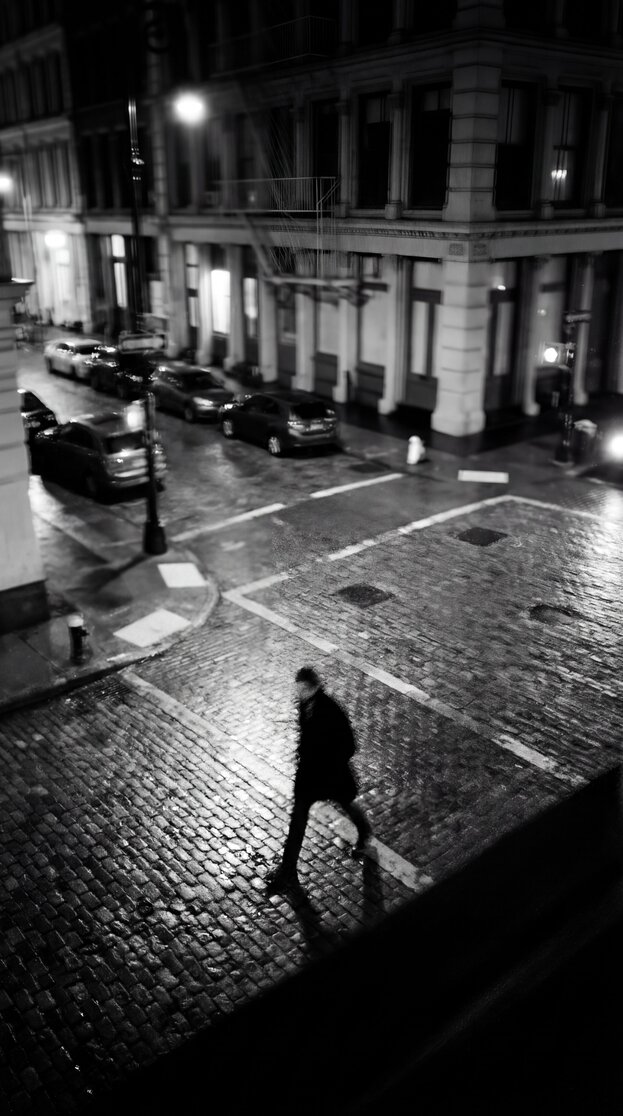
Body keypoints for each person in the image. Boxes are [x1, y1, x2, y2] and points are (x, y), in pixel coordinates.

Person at [266, 666, 372, 892]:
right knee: (298, 821)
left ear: (313, 686)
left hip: (331, 775)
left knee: (346, 804)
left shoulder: (331, 709)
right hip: (309, 778)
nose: (298, 692)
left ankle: (364, 832)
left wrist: (328, 763)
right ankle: (288, 871)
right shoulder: (306, 705)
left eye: (302, 688)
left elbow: (349, 746)